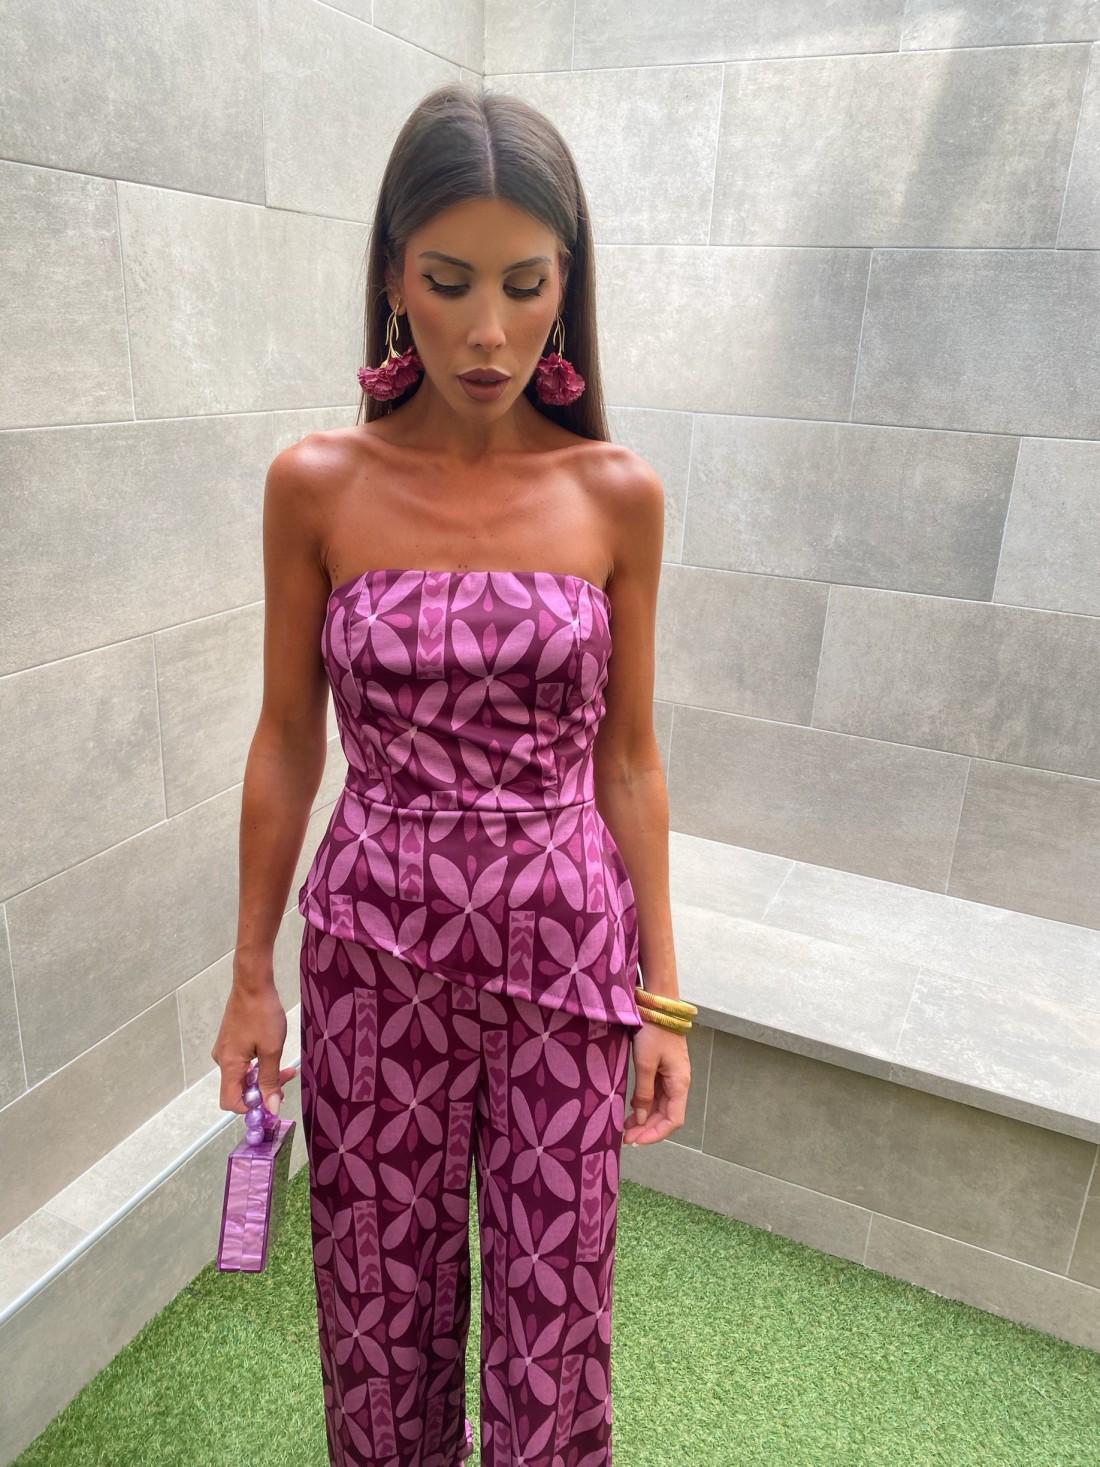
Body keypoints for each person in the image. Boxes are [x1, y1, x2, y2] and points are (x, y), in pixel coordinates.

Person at [212, 81, 697, 1467]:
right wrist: (250, 975)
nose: (488, 330)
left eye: (525, 286)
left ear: (566, 289)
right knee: (379, 1317)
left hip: (569, 958)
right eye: (449, 282)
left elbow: (630, 757)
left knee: (557, 1329)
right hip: (370, 956)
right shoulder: (315, 484)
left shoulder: (618, 494)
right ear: (391, 279)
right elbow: (287, 737)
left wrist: (665, 995)